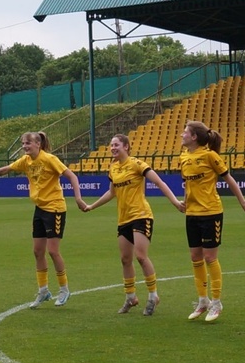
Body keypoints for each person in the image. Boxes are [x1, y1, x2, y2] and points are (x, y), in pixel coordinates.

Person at [77, 134, 181, 316]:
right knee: (125, 259)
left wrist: (175, 202)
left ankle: (153, 295)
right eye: (111, 145)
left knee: (140, 256)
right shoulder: (113, 168)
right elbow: (111, 193)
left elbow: (159, 182)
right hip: (124, 218)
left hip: (141, 215)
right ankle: (130, 297)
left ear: (126, 146)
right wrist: (92, 206)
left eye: (116, 145)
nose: (112, 148)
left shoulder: (137, 164)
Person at [0, 131, 81, 309]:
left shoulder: (49, 159)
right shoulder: (26, 161)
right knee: (37, 251)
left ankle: (64, 289)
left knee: (53, 251)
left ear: (38, 144)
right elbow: (5, 169)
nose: (25, 146)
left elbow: (72, 176)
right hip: (40, 209)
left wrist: (78, 198)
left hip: (55, 209)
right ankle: (43, 290)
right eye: (23, 144)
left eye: (28, 143)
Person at [171, 120, 245, 323]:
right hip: (192, 214)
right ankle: (202, 300)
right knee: (195, 257)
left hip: (211, 212)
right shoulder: (183, 157)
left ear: (194, 137)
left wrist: (243, 202)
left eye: (185, 132)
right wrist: (185, 202)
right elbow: (188, 184)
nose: (181, 135)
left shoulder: (210, 156)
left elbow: (229, 179)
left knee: (209, 257)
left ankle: (216, 302)